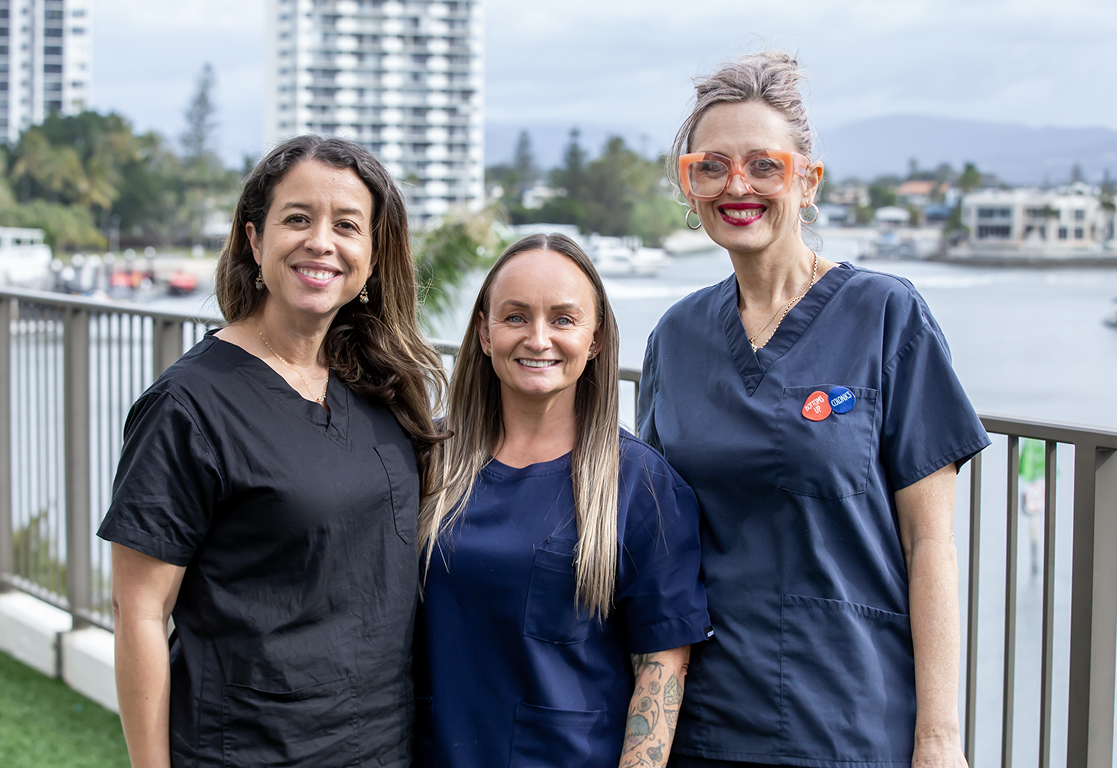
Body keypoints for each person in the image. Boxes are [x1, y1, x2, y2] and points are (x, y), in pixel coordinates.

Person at [638, 50, 991, 768]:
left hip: (850, 721)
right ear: (691, 185)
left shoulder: (888, 316)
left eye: (764, 165)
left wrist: (940, 739)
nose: (738, 186)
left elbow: (932, 545)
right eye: (711, 166)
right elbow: (655, 545)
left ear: (807, 181)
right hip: (706, 724)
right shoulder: (676, 339)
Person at [98, 135, 446, 768]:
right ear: (254, 243)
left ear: (370, 256)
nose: (321, 241)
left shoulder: (378, 386)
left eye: (347, 225)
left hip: (382, 745)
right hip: (251, 748)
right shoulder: (189, 406)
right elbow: (140, 610)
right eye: (296, 219)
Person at [414, 233, 711, 768]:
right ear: (484, 332)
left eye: (564, 319)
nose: (538, 338)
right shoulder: (426, 462)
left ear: (595, 339)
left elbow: (661, 664)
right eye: (515, 317)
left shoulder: (639, 484)